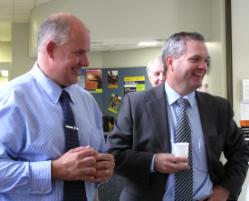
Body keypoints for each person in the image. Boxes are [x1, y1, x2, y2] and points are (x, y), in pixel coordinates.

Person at [107, 32, 249, 201]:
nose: (203, 67)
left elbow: (241, 152)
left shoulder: (218, 108)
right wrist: (153, 162)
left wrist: (226, 189)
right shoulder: (136, 104)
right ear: (171, 62)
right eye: (195, 59)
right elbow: (113, 154)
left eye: (206, 61)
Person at [0, 13, 114, 201]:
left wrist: (103, 168)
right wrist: (53, 170)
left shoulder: (87, 101)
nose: (86, 62)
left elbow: (98, 156)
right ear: (51, 49)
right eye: (79, 52)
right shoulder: (11, 100)